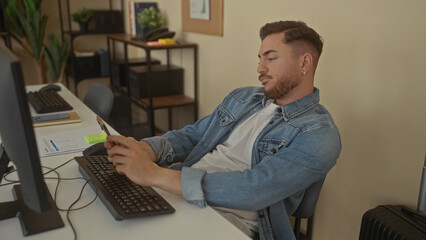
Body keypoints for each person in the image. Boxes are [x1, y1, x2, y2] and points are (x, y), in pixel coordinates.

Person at [105, 20, 342, 240]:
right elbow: (194, 136)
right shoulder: (244, 97)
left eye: (270, 58)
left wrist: (154, 174)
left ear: (305, 63)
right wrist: (146, 150)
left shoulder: (319, 134)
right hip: (177, 191)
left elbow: (254, 189)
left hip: (226, 221)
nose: (260, 68)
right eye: (260, 58)